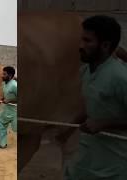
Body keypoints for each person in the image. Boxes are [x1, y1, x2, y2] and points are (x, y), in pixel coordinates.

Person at [63, 15, 127, 180]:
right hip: (87, 155)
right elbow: (91, 105)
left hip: (114, 164)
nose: (80, 46)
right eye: (81, 39)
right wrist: (67, 127)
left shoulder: (120, 77)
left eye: (87, 41)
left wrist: (104, 123)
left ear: (105, 45)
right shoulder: (85, 72)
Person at [0, 66, 17, 149]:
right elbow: (8, 95)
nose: (2, 76)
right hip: (7, 110)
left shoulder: (14, 85)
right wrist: (4, 99)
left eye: (4, 74)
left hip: (15, 111)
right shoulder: (5, 84)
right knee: (0, 123)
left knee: (16, 128)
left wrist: (10, 101)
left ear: (10, 76)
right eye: (2, 73)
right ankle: (2, 144)